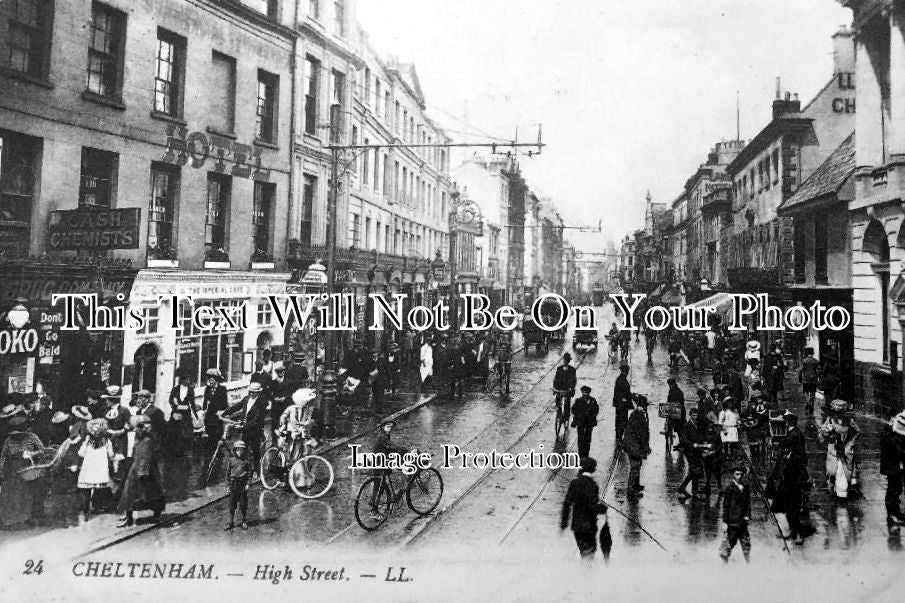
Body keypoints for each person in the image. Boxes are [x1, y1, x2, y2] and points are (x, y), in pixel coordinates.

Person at [0, 407, 46, 527]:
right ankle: (10, 519)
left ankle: (26, 518)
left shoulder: (32, 437)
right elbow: (3, 456)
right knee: (11, 494)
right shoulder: (9, 440)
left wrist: (32, 453)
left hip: (27, 470)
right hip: (11, 471)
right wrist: (1, 470)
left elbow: (43, 450)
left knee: (26, 494)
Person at [117, 415, 165, 527]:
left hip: (143, 470)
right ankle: (128, 516)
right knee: (132, 493)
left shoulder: (147, 440)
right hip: (137, 467)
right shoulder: (140, 438)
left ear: (142, 428)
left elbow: (146, 457)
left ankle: (130, 518)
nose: (135, 430)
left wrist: (142, 471)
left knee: (141, 493)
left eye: (137, 428)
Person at [767, 411, 807, 545]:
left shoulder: (795, 435)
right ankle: (792, 531)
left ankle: (795, 533)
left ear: (789, 422)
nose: (784, 423)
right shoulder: (792, 433)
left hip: (792, 475)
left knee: (790, 506)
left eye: (785, 421)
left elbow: (800, 454)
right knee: (786, 505)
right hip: (788, 475)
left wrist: (788, 459)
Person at [560, 456, 609, 560]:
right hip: (589, 526)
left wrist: (564, 523)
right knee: (589, 553)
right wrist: (602, 508)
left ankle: (584, 571)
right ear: (593, 470)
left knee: (583, 550)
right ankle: (587, 574)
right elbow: (591, 506)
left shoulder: (574, 483)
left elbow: (567, 504)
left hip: (577, 526)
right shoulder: (593, 485)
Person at [222, 381, 268, 474]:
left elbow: (256, 420)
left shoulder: (261, 403)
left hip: (255, 430)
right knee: (243, 448)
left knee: (256, 451)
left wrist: (243, 426)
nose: (251, 394)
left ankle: (256, 471)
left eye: (254, 392)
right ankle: (244, 469)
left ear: (258, 392)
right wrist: (224, 413)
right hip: (245, 428)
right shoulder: (246, 399)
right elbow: (237, 406)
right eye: (250, 391)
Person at [819, 399, 861, 499]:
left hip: (845, 449)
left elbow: (858, 432)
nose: (838, 415)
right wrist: (827, 432)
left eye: (841, 412)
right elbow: (823, 432)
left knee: (844, 471)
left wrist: (850, 444)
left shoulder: (849, 421)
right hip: (833, 448)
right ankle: (831, 488)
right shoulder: (830, 420)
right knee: (832, 471)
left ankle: (842, 493)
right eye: (836, 412)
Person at [78, 418, 115, 518]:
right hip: (100, 471)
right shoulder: (107, 441)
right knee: (99, 490)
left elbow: (81, 453)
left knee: (86, 491)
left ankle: (85, 510)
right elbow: (111, 454)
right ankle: (97, 507)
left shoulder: (87, 440)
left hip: (88, 470)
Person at [719, 463, 752, 563]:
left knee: (746, 543)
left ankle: (748, 563)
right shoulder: (730, 488)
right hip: (732, 521)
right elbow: (725, 506)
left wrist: (747, 515)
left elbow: (747, 503)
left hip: (742, 521)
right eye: (737, 474)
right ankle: (725, 562)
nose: (739, 477)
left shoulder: (745, 488)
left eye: (741, 474)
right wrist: (725, 522)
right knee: (730, 543)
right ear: (733, 474)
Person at [277, 387, 318, 462]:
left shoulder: (308, 409)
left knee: (305, 449)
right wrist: (284, 425)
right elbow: (283, 417)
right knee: (290, 448)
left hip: (302, 432)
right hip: (291, 431)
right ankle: (288, 463)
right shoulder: (292, 408)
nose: (307, 403)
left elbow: (308, 420)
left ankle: (301, 465)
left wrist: (307, 423)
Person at [622, 394, 650, 497]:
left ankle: (636, 485)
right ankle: (631, 489)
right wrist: (646, 447)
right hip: (634, 446)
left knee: (638, 465)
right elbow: (640, 434)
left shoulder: (637, 414)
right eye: (644, 406)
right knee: (635, 466)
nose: (645, 408)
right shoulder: (638, 416)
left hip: (633, 445)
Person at [880, 412, 905, 527]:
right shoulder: (888, 431)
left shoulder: (893, 430)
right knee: (893, 490)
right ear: (891, 418)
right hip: (891, 466)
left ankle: (897, 512)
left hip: (896, 466)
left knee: (898, 489)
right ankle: (892, 516)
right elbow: (893, 447)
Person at [677, 407, 707, 500]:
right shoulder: (687, 425)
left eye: (696, 415)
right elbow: (683, 439)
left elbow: (699, 437)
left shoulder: (696, 424)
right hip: (690, 452)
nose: (695, 417)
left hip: (696, 451)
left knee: (693, 472)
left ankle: (684, 489)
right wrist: (691, 444)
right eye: (693, 415)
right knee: (695, 471)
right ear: (690, 415)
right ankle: (694, 491)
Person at [167, 368, 198, 454]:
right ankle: (174, 450)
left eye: (189, 379)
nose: (188, 381)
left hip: (185, 415)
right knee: (175, 432)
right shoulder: (175, 389)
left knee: (186, 433)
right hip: (176, 414)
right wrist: (176, 407)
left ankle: (185, 450)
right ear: (182, 380)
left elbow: (192, 403)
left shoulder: (190, 390)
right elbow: (171, 400)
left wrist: (195, 415)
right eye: (187, 379)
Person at [224, 440, 252, 530]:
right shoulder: (231, 460)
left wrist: (248, 483)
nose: (240, 452)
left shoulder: (246, 461)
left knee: (243, 505)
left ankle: (244, 521)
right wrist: (227, 486)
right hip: (233, 485)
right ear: (235, 450)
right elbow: (227, 474)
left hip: (242, 485)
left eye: (242, 450)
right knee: (232, 505)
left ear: (244, 451)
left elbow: (249, 473)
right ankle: (231, 522)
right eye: (238, 450)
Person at [571, 386, 599, 459]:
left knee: (588, 439)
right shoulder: (578, 401)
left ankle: (586, 455)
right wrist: (578, 417)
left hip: (589, 423)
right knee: (580, 439)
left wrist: (593, 417)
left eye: (586, 392)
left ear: (589, 393)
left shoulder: (593, 400)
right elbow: (574, 410)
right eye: (584, 392)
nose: (585, 394)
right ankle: (581, 456)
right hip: (581, 422)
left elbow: (596, 410)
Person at [203, 368, 229, 443]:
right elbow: (205, 401)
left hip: (218, 415)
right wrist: (205, 409)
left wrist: (220, 411)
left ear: (216, 380)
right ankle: (210, 451)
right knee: (209, 433)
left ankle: (217, 451)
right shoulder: (207, 389)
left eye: (212, 380)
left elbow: (224, 403)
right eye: (209, 380)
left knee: (217, 434)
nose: (210, 381)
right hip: (209, 415)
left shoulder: (222, 389)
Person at [553, 353, 578, 425]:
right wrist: (554, 387)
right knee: (558, 399)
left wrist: (571, 387)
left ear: (569, 361)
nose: (565, 362)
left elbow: (574, 380)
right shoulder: (559, 368)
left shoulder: (572, 370)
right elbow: (555, 379)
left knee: (567, 401)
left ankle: (566, 417)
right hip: (560, 388)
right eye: (564, 360)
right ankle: (559, 412)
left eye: (567, 360)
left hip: (567, 389)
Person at [613, 363, 632, 441]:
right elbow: (626, 392)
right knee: (622, 420)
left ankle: (619, 436)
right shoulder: (622, 380)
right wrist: (633, 398)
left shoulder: (620, 378)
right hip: (621, 404)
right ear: (626, 372)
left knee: (620, 420)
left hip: (619, 404)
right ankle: (619, 437)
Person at [799, 347, 820, 413]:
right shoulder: (816, 361)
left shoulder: (804, 360)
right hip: (814, 379)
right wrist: (817, 376)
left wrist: (800, 377)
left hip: (806, 379)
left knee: (806, 393)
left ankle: (808, 403)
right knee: (813, 393)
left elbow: (800, 370)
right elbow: (819, 370)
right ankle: (812, 404)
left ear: (807, 352)